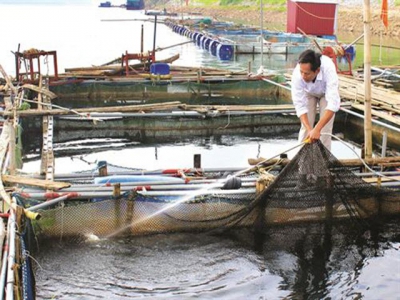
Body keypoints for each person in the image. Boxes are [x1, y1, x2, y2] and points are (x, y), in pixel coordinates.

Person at [291, 49, 341, 151]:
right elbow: (300, 105)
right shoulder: (297, 75)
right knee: (305, 129)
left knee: (325, 129)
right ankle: (302, 161)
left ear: (317, 70)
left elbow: (333, 105)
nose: (303, 76)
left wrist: (317, 129)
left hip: (325, 93)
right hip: (308, 92)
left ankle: (324, 161)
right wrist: (310, 129)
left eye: (307, 73)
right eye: (302, 72)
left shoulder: (328, 69)